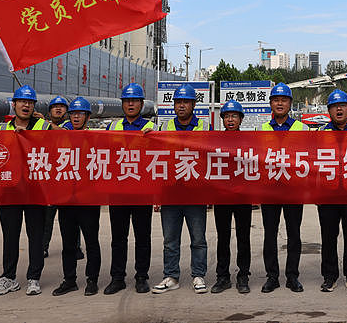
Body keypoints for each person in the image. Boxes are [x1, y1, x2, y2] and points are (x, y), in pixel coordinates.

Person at [0, 85, 51, 297]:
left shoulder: (44, 126)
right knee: (10, 236)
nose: (26, 105)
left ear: (34, 106)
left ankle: (34, 278)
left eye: (30, 102)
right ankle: (8, 277)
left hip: (35, 190)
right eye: (22, 102)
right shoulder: (3, 130)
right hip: (10, 191)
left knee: (35, 236)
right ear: (14, 104)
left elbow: (64, 140)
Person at [153, 85, 209, 295]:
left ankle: (198, 275)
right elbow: (156, 160)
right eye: (178, 102)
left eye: (186, 102)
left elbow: (211, 159)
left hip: (195, 193)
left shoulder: (204, 126)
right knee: (170, 240)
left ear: (193, 105)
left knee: (198, 239)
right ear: (173, 105)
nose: (182, 105)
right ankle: (171, 276)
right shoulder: (164, 127)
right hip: (171, 193)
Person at [104, 82, 155, 294]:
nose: (131, 104)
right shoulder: (112, 128)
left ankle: (142, 276)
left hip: (142, 191)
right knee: (118, 238)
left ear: (142, 104)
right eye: (127, 100)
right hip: (118, 191)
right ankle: (117, 277)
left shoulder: (151, 129)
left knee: (142, 237)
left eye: (134, 100)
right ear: (122, 104)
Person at [259, 82, 308, 293]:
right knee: (270, 234)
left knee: (294, 234)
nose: (280, 103)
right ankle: (272, 276)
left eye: (284, 100)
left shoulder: (302, 128)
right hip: (270, 190)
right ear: (271, 103)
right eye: (276, 100)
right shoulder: (261, 129)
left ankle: (292, 276)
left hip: (293, 190)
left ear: (290, 104)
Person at [52, 97, 102, 296]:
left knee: (91, 242)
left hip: (89, 199)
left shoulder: (96, 138)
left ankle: (92, 280)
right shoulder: (60, 136)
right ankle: (69, 279)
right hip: (67, 199)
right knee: (68, 243)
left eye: (80, 114)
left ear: (87, 117)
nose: (76, 117)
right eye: (73, 113)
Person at [317, 89, 347, 293]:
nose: (339, 109)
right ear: (329, 110)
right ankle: (329, 276)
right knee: (328, 237)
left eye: (342, 106)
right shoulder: (320, 134)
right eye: (334, 106)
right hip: (328, 194)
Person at [210, 100, 255, 294]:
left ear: (241, 119)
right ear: (222, 119)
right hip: (222, 197)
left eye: (234, 116)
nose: (230, 119)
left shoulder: (249, 141)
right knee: (223, 237)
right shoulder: (214, 140)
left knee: (243, 237)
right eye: (227, 116)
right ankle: (223, 277)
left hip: (243, 197)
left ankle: (243, 276)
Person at [42, 96, 71, 259]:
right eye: (55, 106)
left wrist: (45, 124)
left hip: (66, 178)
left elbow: (62, 133)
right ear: (49, 110)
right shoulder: (42, 126)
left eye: (62, 107)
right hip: (49, 179)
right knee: (47, 217)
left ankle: (75, 246)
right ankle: (43, 246)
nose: (58, 109)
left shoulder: (68, 125)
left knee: (70, 219)